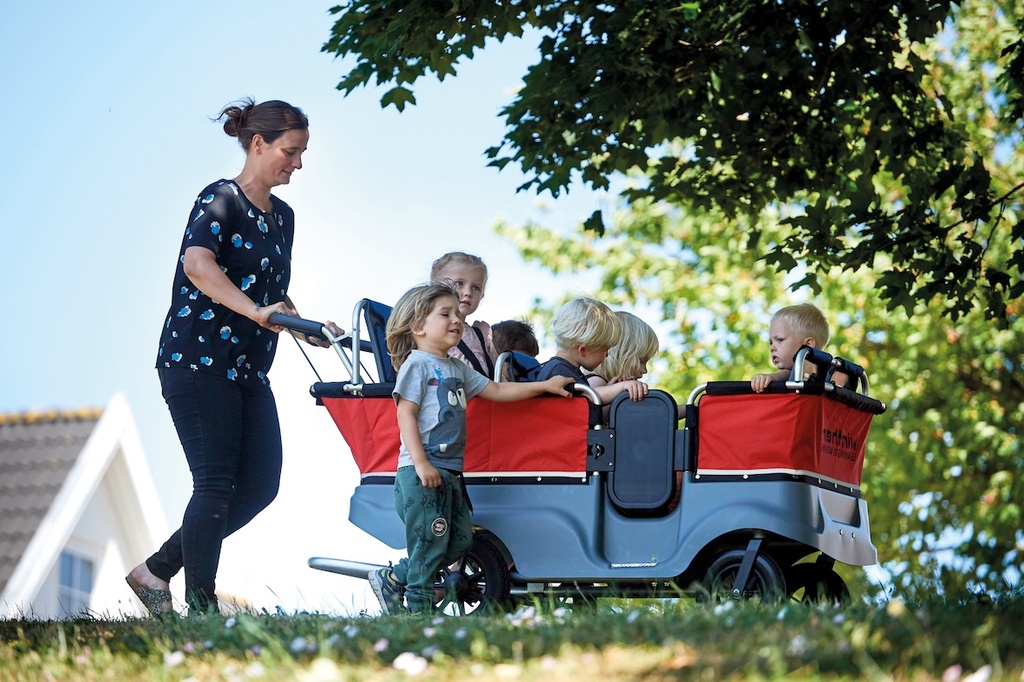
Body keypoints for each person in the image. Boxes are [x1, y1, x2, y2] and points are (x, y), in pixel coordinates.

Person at [125, 98, 342, 616]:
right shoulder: (220, 198)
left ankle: (154, 571)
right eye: (291, 151)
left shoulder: (283, 218)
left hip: (248, 367)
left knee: (260, 486)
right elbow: (198, 266)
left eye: (303, 152)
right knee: (216, 483)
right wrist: (255, 312)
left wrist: (306, 326)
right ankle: (201, 609)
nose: (299, 163)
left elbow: (272, 296)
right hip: (196, 362)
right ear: (258, 143)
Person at [368, 282, 573, 614]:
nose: (456, 320)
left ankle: (395, 577)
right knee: (429, 541)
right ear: (418, 327)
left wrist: (544, 386)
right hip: (421, 470)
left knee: (460, 541)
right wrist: (421, 464)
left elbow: (496, 391)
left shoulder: (457, 368)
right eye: (445, 314)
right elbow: (405, 413)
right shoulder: (416, 365)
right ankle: (418, 613)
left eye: (457, 314)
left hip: (450, 470)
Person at [535, 297, 649, 404]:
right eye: (605, 349)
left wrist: (609, 386)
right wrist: (620, 387)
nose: (607, 354)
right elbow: (587, 399)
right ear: (583, 350)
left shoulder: (566, 368)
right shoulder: (559, 370)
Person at [429, 252, 497, 378]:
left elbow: (499, 377)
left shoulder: (481, 333)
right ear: (435, 287)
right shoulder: (426, 328)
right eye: (459, 284)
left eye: (476, 287)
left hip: (486, 395)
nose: (468, 292)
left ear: (482, 295)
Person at [750, 302, 839, 392]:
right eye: (771, 342)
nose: (772, 348)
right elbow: (784, 374)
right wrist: (771, 377)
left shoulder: (828, 374)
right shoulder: (831, 375)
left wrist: (771, 377)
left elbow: (784, 374)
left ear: (808, 345)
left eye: (780, 340)